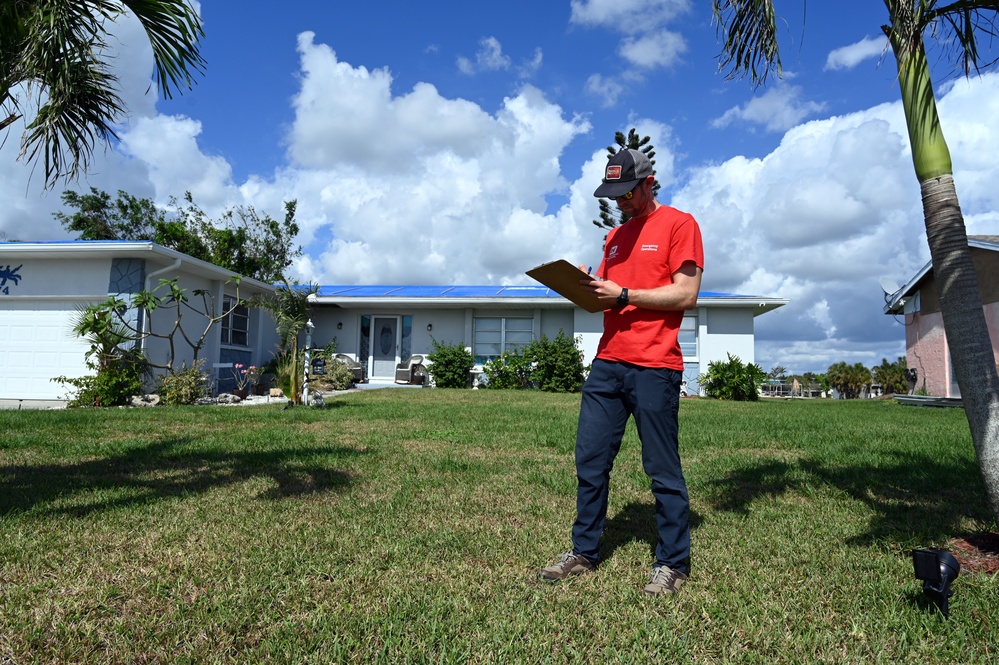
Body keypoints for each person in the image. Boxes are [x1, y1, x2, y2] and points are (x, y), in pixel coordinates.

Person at [538, 148, 704, 596]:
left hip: (655, 364)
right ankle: (584, 551)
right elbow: (608, 296)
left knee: (661, 468)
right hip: (608, 361)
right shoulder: (613, 237)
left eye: (627, 193)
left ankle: (672, 562)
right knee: (590, 461)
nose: (621, 202)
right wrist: (585, 285)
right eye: (614, 196)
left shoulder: (679, 224)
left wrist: (626, 291)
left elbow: (685, 294)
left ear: (649, 183)